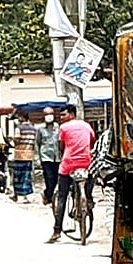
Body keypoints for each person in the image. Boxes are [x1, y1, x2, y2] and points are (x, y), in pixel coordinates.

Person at [47, 104, 95, 243]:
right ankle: (89, 198)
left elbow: (61, 146)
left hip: (68, 165)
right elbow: (92, 143)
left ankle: (57, 231)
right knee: (90, 179)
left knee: (61, 197)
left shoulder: (63, 128)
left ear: (72, 114)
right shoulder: (87, 126)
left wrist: (64, 156)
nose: (61, 118)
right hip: (86, 163)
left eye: (64, 115)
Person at [9, 114, 38, 202]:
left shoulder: (19, 128)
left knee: (18, 176)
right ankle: (27, 195)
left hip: (19, 155)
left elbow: (17, 140)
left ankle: (18, 195)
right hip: (29, 155)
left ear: (22, 118)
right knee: (27, 176)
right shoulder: (33, 129)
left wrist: (13, 139)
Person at [35, 107, 61, 205]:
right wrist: (37, 159)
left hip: (57, 157)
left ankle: (47, 194)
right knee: (49, 178)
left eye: (51, 114)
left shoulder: (57, 128)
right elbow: (37, 144)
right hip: (45, 157)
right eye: (46, 114)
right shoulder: (40, 129)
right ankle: (49, 197)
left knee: (55, 179)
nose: (49, 116)